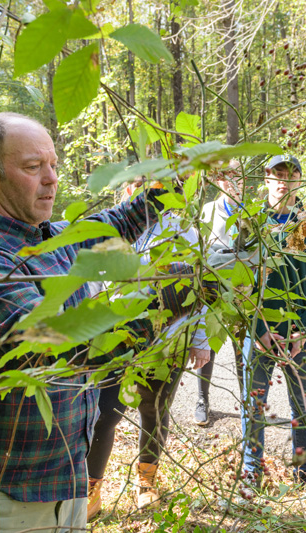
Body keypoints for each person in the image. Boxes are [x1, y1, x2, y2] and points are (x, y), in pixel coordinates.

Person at [0, 113, 178, 533]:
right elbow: (61, 347)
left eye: (54, 165)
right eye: (32, 167)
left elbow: (120, 221)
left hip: (67, 490)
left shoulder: (55, 239)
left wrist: (172, 180)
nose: (51, 179)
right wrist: (169, 301)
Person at [86, 187, 211, 519]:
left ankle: (147, 482)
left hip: (167, 341)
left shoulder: (185, 230)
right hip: (118, 340)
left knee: (154, 411)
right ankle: (91, 488)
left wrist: (199, 338)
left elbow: (198, 291)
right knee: (105, 413)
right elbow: (93, 284)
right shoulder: (113, 229)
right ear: (130, 190)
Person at [241, 154, 306, 488]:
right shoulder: (250, 222)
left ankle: (302, 469)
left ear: (299, 180)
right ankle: (251, 469)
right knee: (253, 403)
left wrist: (303, 331)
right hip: (259, 331)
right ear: (265, 179)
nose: (283, 180)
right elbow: (240, 282)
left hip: (300, 334)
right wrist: (260, 328)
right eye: (276, 174)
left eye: (290, 174)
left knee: (301, 402)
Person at [193, 161, 248, 425]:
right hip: (214, 287)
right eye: (226, 177)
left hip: (242, 290)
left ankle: (247, 400)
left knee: (242, 345)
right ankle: (202, 398)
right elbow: (202, 250)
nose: (232, 182)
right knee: (209, 343)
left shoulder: (252, 213)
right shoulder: (208, 210)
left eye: (237, 176)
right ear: (218, 180)